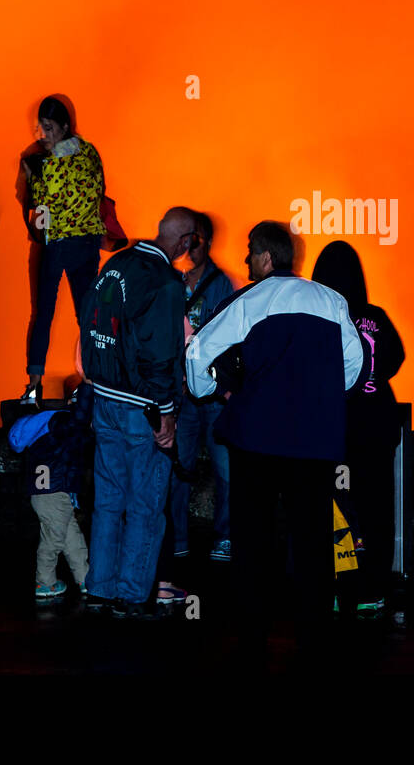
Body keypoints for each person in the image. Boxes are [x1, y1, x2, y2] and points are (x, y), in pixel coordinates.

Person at [185, 222, 364, 668]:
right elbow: (355, 364)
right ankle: (314, 637)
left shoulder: (252, 299)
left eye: (249, 254)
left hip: (258, 440)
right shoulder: (330, 300)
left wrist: (210, 390)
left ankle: (254, 636)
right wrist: (318, 397)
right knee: (312, 542)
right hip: (314, 442)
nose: (246, 263)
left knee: (254, 541)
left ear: (266, 258)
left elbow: (198, 351)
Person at [80, 208, 195, 619]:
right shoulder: (165, 282)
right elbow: (161, 354)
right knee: (145, 505)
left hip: (104, 399)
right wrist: (165, 414)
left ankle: (100, 589)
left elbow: (88, 321)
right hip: (140, 406)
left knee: (109, 500)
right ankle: (131, 597)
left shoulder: (118, 263)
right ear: (185, 244)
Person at [311, 240, 405, 619]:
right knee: (376, 512)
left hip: (332, 432)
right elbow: (396, 358)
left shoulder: (316, 316)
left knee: (329, 513)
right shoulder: (375, 315)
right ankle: (373, 591)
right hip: (376, 429)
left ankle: (333, 590)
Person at [21, 95, 106, 402]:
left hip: (56, 244)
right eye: (41, 128)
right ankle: (95, 381)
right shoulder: (90, 152)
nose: (45, 134)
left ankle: (33, 384)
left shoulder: (45, 161)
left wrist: (33, 177)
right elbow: (100, 191)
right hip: (88, 242)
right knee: (87, 315)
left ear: (64, 126)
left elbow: (42, 207)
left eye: (49, 127)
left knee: (43, 313)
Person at [164, 211, 237, 569]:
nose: (189, 245)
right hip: (182, 395)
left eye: (194, 238)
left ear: (204, 240)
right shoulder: (170, 280)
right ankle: (178, 538)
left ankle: (223, 537)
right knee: (180, 467)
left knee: (226, 471)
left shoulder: (221, 284)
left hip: (212, 394)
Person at [11, 393, 92, 599]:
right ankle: (45, 583)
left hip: (46, 492)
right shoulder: (61, 422)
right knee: (53, 539)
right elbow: (80, 428)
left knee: (71, 538)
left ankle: (85, 579)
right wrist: (87, 395)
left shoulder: (39, 431)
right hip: (55, 491)